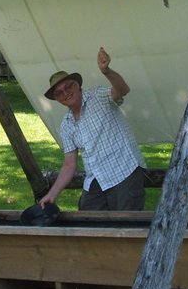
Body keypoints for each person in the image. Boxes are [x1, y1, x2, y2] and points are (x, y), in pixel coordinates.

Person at [39, 47, 146, 211]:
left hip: (124, 172)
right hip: (96, 180)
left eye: (68, 87)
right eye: (59, 93)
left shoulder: (98, 96)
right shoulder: (66, 125)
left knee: (126, 228)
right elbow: (69, 165)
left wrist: (106, 71)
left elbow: (123, 89)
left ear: (77, 85)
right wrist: (52, 194)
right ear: (57, 99)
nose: (66, 93)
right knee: (88, 224)